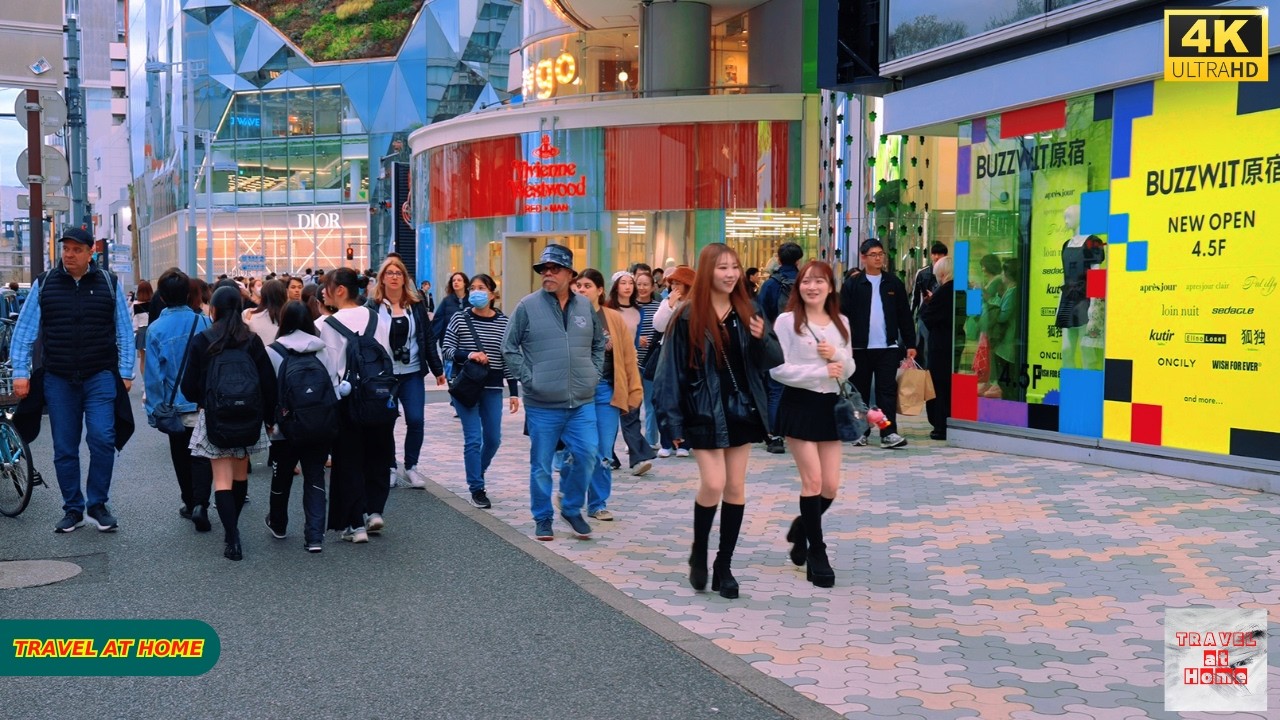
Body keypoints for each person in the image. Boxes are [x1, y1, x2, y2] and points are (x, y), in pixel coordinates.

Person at [653, 243, 783, 600]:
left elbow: (772, 359)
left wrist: (760, 339)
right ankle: (699, 549)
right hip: (702, 410)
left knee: (736, 488)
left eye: (735, 268)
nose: (730, 274)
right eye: (722, 267)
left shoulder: (748, 309)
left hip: (741, 410)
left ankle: (723, 565)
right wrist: (672, 425)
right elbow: (668, 374)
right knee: (713, 482)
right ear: (707, 270)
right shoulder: (687, 315)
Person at [9, 227, 135, 533]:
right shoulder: (46, 283)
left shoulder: (108, 282)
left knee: (103, 439)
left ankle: (97, 504)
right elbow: (24, 331)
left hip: (100, 375)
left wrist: (127, 371)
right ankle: (73, 508)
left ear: (90, 253)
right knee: (64, 447)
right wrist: (21, 373)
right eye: (66, 249)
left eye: (77, 250)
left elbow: (124, 330)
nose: (69, 255)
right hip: (58, 377)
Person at [501, 244, 604, 542]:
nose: (547, 273)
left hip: (582, 402)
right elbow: (508, 347)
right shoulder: (527, 306)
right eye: (543, 269)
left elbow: (598, 344)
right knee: (542, 465)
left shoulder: (585, 306)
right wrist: (529, 379)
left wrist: (593, 374)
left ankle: (571, 508)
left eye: (554, 269)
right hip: (542, 404)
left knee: (587, 455)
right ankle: (543, 517)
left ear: (570, 274)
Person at [770, 260, 854, 588]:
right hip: (799, 407)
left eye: (819, 281)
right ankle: (816, 551)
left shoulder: (841, 321)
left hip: (830, 407)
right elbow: (777, 369)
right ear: (798, 287)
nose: (812, 287)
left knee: (830, 486)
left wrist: (837, 356)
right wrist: (819, 372)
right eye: (806, 281)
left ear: (830, 287)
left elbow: (849, 368)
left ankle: (802, 528)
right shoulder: (787, 322)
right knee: (813, 482)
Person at [181, 286, 277, 560]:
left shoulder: (203, 339)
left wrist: (205, 400)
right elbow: (268, 383)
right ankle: (233, 527)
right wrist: (269, 418)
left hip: (216, 418)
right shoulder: (251, 339)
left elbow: (189, 386)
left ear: (215, 310)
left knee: (221, 480)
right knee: (240, 475)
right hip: (248, 418)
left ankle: (232, 536)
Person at [319, 268, 396, 543]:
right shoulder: (376, 317)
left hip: (347, 399)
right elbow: (387, 356)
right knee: (379, 454)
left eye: (327, 287)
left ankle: (356, 524)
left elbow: (329, 368)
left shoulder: (328, 325)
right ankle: (375, 511)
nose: (324, 292)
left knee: (350, 460)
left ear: (340, 290)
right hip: (379, 396)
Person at [265, 300, 339, 553]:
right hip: (319, 425)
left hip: (285, 428)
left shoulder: (273, 351)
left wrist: (269, 423)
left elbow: (268, 392)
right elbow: (334, 387)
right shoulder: (322, 350)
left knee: (281, 476)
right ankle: (315, 536)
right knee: (315, 476)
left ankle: (279, 524)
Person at [144, 268, 214, 532]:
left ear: (161, 297)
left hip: (174, 406)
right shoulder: (204, 322)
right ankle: (201, 504)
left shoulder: (155, 330)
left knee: (180, 455)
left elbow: (153, 377)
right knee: (201, 455)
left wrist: (154, 411)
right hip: (201, 402)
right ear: (188, 294)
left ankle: (188, 500)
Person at [443, 273, 519, 508]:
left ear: (493, 294)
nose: (476, 292)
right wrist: (469, 355)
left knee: (493, 439)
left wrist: (514, 391)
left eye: (482, 288)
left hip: (493, 387)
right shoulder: (459, 318)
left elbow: (508, 358)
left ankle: (479, 470)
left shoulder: (504, 322)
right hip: (466, 386)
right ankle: (477, 487)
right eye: (473, 288)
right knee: (473, 439)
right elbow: (447, 348)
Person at [369, 255, 445, 488]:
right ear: (382, 278)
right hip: (385, 375)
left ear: (405, 278)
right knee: (386, 423)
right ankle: (389, 466)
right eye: (389, 273)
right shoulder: (373, 305)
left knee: (416, 419)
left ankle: (411, 466)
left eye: (398, 273)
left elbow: (427, 337)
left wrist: (437, 368)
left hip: (412, 372)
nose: (394, 277)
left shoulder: (415, 304)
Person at [576, 269, 644, 521]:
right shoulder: (567, 316)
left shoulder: (612, 318)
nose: (581, 290)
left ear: (600, 290)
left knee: (603, 450)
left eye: (587, 286)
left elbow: (629, 356)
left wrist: (633, 390)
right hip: (577, 392)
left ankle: (597, 504)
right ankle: (572, 496)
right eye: (578, 286)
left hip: (605, 389)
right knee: (581, 448)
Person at [839, 238, 916, 449]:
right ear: (863, 258)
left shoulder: (893, 283)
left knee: (887, 392)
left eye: (881, 254)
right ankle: (861, 431)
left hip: (887, 347)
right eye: (873, 255)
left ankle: (888, 432)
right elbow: (842, 316)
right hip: (859, 348)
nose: (878, 258)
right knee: (859, 391)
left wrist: (910, 342)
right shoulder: (853, 284)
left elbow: (904, 315)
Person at [606, 270, 655, 476]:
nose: (627, 286)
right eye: (622, 282)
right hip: (608, 367)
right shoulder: (606, 310)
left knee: (631, 411)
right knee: (607, 416)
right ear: (615, 286)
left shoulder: (638, 311)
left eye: (630, 283)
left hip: (631, 365)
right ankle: (607, 456)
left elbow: (634, 340)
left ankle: (638, 458)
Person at [756, 241, 803, 455]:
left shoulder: (771, 284)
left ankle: (775, 437)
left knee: (775, 391)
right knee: (801, 388)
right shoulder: (806, 281)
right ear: (799, 260)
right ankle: (799, 431)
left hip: (776, 342)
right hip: (802, 341)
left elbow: (760, 313)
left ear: (778, 259)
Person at [651, 265, 695, 458]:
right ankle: (666, 441)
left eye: (679, 284)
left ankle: (685, 442)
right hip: (668, 355)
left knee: (687, 397)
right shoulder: (667, 302)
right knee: (665, 395)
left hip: (690, 356)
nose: (675, 287)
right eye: (672, 284)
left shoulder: (697, 305)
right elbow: (659, 326)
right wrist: (670, 305)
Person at [922, 256, 960, 440]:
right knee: (950, 385)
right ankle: (951, 421)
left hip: (941, 345)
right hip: (956, 343)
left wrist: (929, 301)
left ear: (942, 273)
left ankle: (941, 425)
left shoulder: (944, 292)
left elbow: (928, 318)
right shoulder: (961, 290)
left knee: (939, 385)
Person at [634, 271, 664, 450]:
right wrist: (636, 340)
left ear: (653, 287)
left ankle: (651, 439)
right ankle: (635, 439)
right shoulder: (631, 308)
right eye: (639, 284)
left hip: (652, 362)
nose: (642, 288)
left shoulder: (659, 307)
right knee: (633, 405)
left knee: (651, 402)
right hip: (633, 361)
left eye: (646, 284)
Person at [910, 242, 948, 361]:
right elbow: (915, 297)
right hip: (924, 315)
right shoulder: (922, 273)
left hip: (943, 317)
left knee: (939, 348)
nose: (936, 257)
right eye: (934, 254)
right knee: (926, 348)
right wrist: (910, 317)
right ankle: (927, 374)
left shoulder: (951, 273)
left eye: (940, 254)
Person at [432, 271, 469, 375]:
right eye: (454, 280)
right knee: (452, 380)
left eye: (459, 280)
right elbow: (437, 324)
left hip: (468, 348)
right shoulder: (446, 302)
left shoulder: (471, 301)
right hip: (450, 347)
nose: (456, 282)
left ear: (465, 283)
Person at [244, 278, 287, 348]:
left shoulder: (248, 314)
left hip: (257, 356)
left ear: (263, 294)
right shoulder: (290, 315)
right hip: (283, 356)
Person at [133, 281, 154, 391]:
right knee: (153, 358)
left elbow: (135, 324)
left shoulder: (136, 305)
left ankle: (145, 383)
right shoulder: (154, 303)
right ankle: (152, 381)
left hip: (141, 332)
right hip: (153, 331)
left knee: (143, 359)